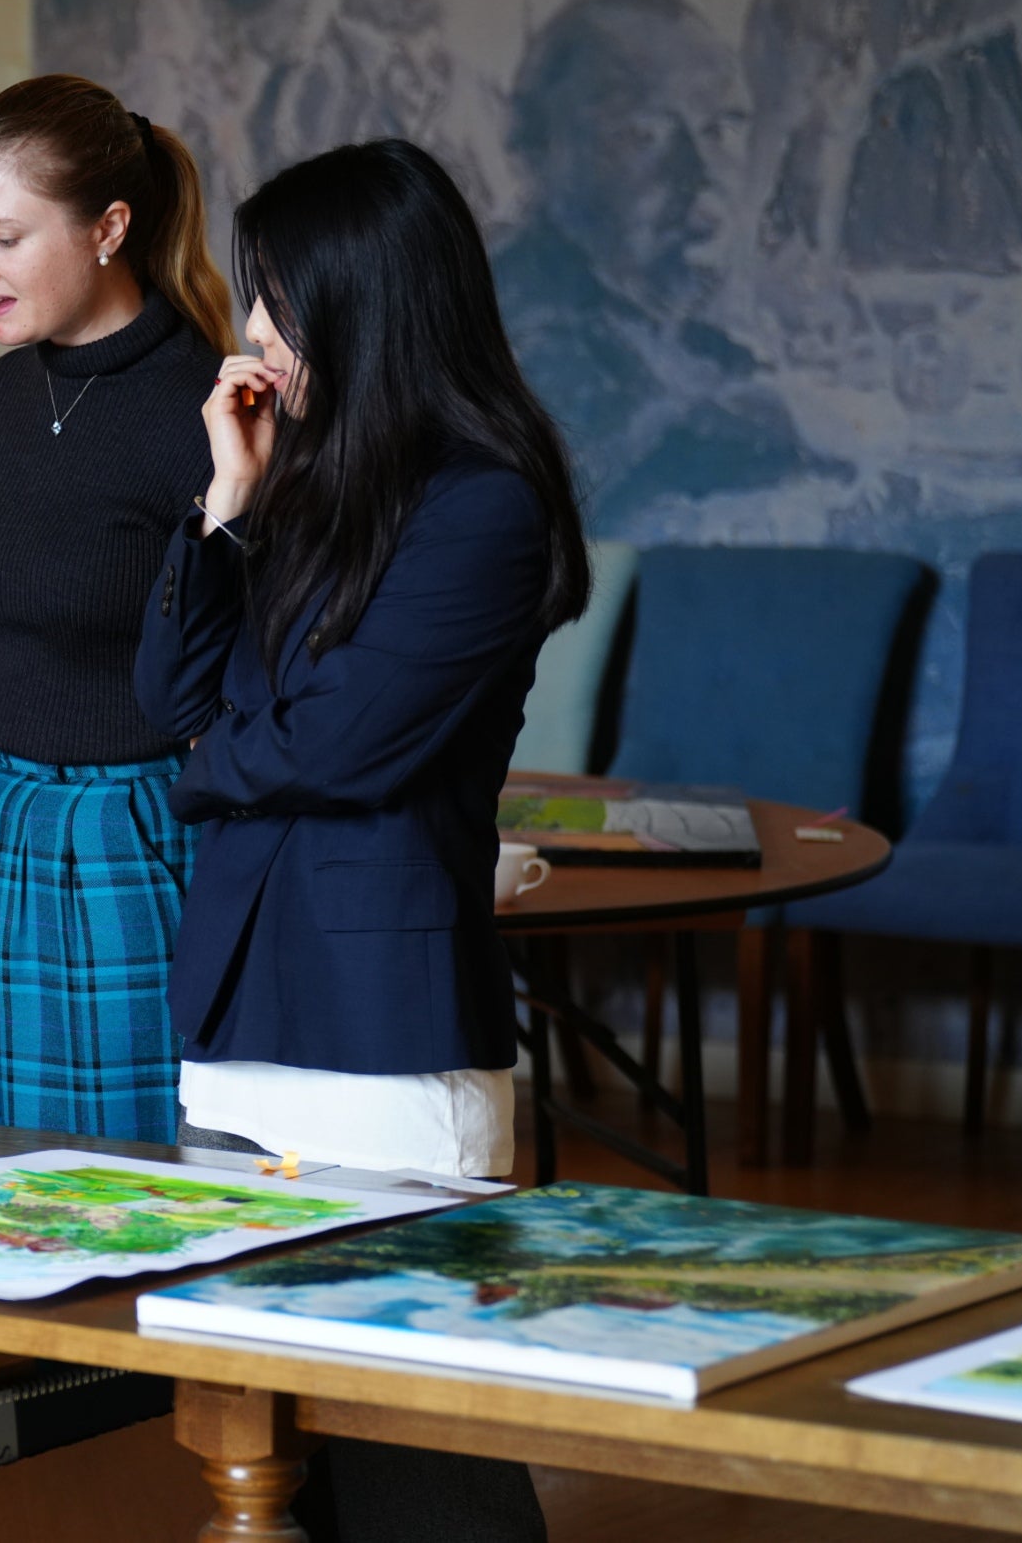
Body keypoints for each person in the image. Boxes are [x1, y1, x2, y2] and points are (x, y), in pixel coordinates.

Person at [136, 138, 590, 1540]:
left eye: (275, 299)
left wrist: (212, 772)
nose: (252, 334)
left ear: (364, 304)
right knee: (264, 1454)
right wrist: (228, 502)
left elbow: (345, 745)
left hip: (383, 1030)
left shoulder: (483, 505)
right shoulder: (303, 482)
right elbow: (167, 697)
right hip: (238, 1008)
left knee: (423, 1464)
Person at [0, 74, 234, 1144]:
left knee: (109, 1185)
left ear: (109, 229)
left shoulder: (205, 410)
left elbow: (244, 659)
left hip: (124, 834)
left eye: (0, 237)